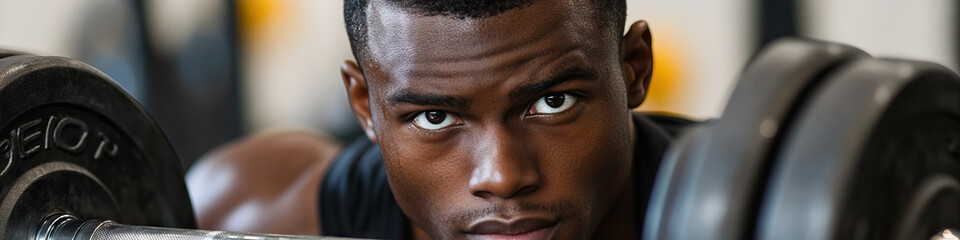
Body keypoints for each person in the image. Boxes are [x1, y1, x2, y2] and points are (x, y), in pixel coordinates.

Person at [187, 0, 695, 239]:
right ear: (365, 105)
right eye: (434, 116)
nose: (502, 177)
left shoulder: (759, 205)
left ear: (632, 69)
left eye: (553, 103)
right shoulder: (261, 212)